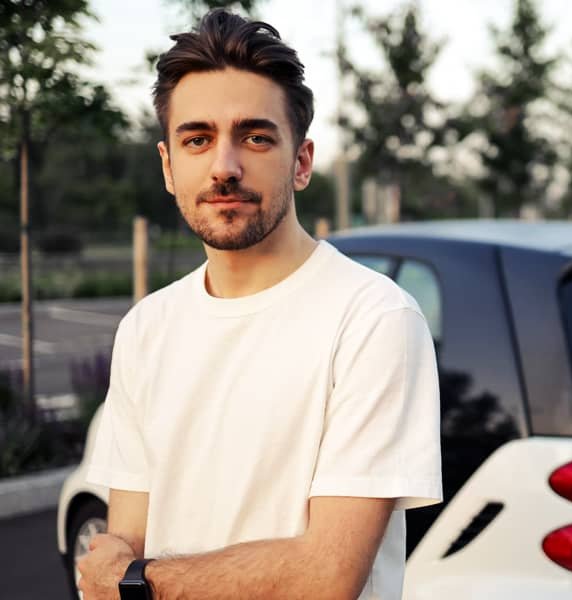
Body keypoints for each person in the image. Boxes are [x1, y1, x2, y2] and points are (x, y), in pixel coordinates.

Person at [77, 9, 442, 600]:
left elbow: (325, 578)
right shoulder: (147, 327)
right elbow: (126, 543)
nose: (224, 167)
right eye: (197, 140)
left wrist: (141, 582)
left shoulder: (373, 319)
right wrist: (127, 576)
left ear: (301, 162)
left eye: (255, 137)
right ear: (168, 166)